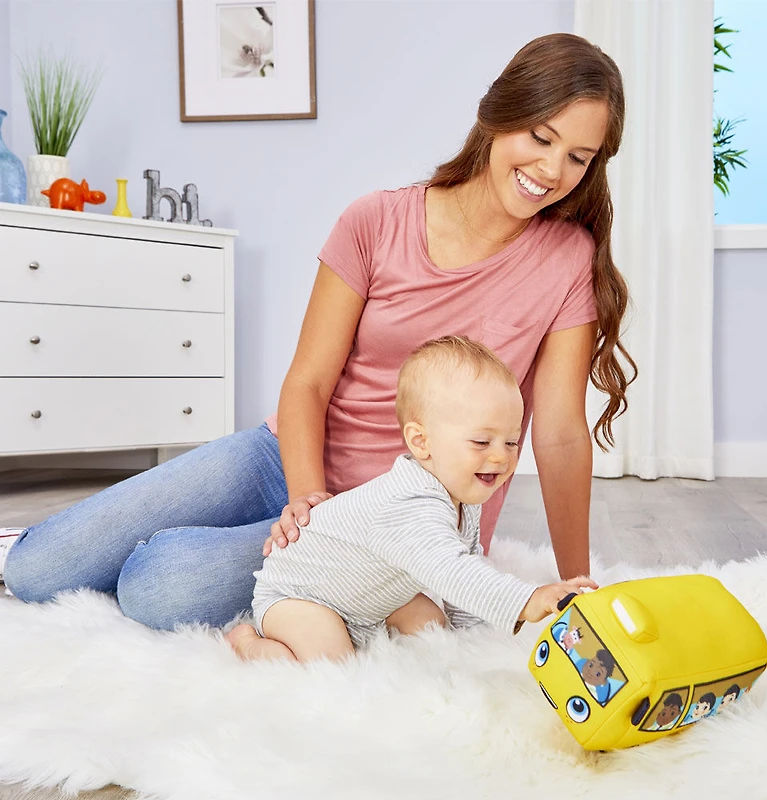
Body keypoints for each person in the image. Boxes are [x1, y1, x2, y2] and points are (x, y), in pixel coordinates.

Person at [3, 32, 635, 631]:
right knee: (35, 570)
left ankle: (177, 549)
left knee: (159, 586)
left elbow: (557, 434)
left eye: (577, 157)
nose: (552, 169)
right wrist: (307, 499)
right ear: (499, 114)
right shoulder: (375, 221)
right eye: (540, 137)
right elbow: (308, 380)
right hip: (283, 461)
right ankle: (121, 539)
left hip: (401, 524)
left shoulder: (565, 259)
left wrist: (577, 584)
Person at [226, 336, 597, 663]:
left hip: (369, 596)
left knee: (433, 625)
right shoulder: (409, 504)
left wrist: (479, 638)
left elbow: (466, 561)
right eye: (482, 442)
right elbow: (453, 572)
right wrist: (527, 600)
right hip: (301, 595)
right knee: (332, 662)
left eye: (511, 441)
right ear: (421, 442)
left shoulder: (462, 497)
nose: (500, 457)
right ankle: (248, 646)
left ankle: (367, 626)